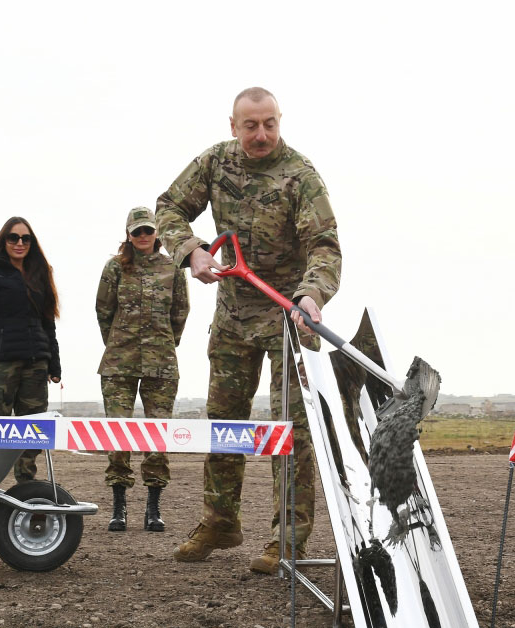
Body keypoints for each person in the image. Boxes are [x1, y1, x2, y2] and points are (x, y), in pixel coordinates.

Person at [156, 86, 341, 573]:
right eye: (251, 125)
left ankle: (288, 539)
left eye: (270, 124)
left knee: (290, 432)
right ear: (234, 125)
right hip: (234, 317)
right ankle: (220, 522)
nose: (261, 135)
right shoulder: (215, 163)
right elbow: (168, 208)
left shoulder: (300, 175)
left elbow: (324, 246)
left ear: (280, 121)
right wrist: (191, 249)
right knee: (225, 425)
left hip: (288, 317)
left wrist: (311, 295)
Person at [96, 207, 189, 532]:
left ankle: (153, 508)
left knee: (157, 436)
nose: (143, 237)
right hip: (119, 363)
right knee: (118, 433)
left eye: (148, 230)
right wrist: (119, 344)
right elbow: (103, 311)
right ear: (129, 235)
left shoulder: (172, 268)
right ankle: (119, 506)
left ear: (157, 233)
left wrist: (163, 344)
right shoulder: (115, 268)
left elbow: (180, 313)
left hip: (160, 364)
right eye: (137, 232)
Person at [0, 217, 61, 528]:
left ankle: (27, 496)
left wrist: (54, 363)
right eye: (13, 237)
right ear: (3, 240)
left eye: (25, 238)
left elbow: (49, 322)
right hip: (0, 365)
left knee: (32, 436)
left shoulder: (40, 272)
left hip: (37, 365)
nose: (19, 243)